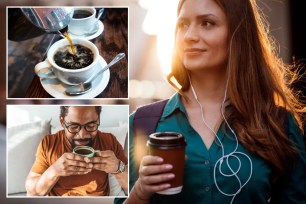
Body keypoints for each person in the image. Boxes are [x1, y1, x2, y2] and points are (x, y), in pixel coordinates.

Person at [115, 0, 306, 203]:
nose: (189, 36)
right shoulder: (141, 124)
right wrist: (140, 192)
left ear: (237, 32)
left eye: (207, 23)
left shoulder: (279, 125)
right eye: (183, 25)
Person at [25, 106, 128, 196]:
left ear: (98, 120)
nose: (82, 135)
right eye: (74, 127)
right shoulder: (49, 144)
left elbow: (132, 188)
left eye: (90, 126)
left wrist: (118, 167)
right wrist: (54, 171)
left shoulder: (109, 141)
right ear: (62, 122)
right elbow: (31, 193)